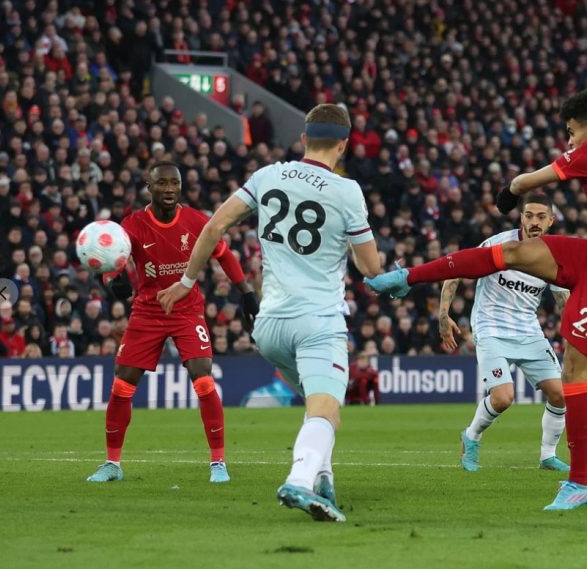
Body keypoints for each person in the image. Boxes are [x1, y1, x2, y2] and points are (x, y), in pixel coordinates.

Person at [365, 89, 587, 510]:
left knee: (574, 374)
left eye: (572, 133)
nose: (569, 142)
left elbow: (524, 184)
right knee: (509, 254)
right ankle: (409, 276)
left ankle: (580, 482)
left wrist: (507, 195)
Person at [158, 104, 380, 522]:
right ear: (344, 145)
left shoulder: (268, 175)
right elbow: (370, 268)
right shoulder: (347, 191)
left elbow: (212, 228)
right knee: (326, 410)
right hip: (317, 322)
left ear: (303, 140)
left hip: (269, 328)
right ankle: (298, 482)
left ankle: (323, 478)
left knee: (320, 405)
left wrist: (186, 282)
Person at [86, 161, 259, 484]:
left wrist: (246, 291)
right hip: (147, 311)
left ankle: (218, 463)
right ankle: (112, 464)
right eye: (161, 183)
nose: (168, 189)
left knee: (203, 377)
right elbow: (115, 259)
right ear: (148, 187)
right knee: (123, 384)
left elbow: (223, 254)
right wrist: (113, 281)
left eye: (174, 183)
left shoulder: (195, 221)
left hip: (186, 310)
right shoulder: (133, 224)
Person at [440, 194, 570, 472]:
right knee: (502, 397)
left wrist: (575, 338)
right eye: (528, 215)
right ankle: (471, 436)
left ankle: (547, 456)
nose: (534, 222)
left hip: (529, 331)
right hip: (491, 329)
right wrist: (443, 314)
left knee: (560, 394)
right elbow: (456, 270)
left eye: (540, 217)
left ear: (551, 220)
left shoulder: (555, 255)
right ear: (521, 217)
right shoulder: (499, 244)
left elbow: (564, 302)